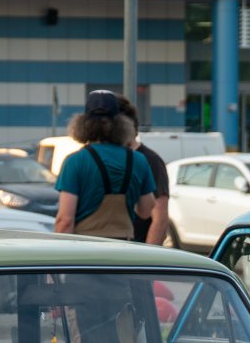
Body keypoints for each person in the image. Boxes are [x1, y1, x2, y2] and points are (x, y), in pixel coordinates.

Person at [53, 90, 154, 240]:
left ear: (82, 123)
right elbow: (146, 210)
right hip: (125, 248)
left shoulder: (75, 161)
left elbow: (65, 220)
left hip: (85, 248)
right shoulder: (138, 160)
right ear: (121, 124)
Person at [117, 96, 170, 246]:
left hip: (137, 252)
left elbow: (160, 219)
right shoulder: (118, 157)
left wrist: (147, 261)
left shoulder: (150, 160)